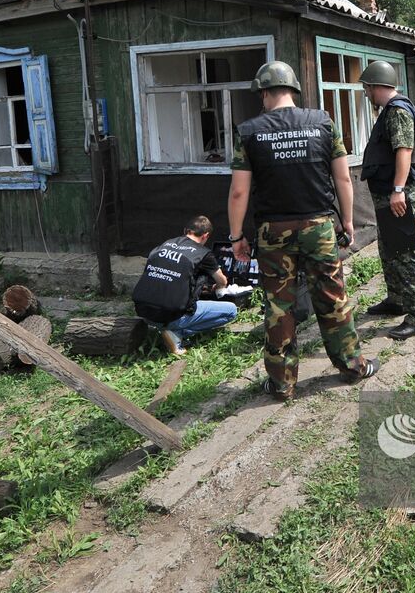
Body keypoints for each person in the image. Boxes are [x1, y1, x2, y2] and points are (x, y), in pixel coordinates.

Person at [228, 60, 381, 400]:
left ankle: (282, 383)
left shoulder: (249, 132)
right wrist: (348, 220)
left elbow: (239, 191)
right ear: (293, 90)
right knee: (332, 296)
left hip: (273, 231)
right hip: (319, 226)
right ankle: (353, 366)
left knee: (279, 306)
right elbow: (342, 177)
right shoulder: (324, 123)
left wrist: (237, 236)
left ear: (265, 92)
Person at [358, 60, 415, 339]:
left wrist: (398, 189)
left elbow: (404, 151)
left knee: (404, 254)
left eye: (366, 88)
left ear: (376, 86)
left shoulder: (397, 111)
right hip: (387, 195)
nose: (366, 93)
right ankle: (396, 300)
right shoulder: (389, 110)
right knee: (389, 251)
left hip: (396, 194)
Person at [132, 215, 237, 356]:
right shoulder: (203, 253)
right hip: (171, 316)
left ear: (185, 230)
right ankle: (177, 332)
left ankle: (167, 330)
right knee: (231, 311)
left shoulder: (165, 244)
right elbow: (222, 281)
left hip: (143, 311)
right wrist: (217, 288)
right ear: (206, 236)